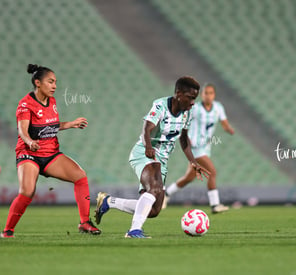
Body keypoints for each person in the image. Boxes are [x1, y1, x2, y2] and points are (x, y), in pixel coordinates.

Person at [95, 76, 210, 238]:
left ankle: (109, 202)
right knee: (154, 189)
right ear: (178, 93)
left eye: (194, 99)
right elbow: (146, 128)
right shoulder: (161, 105)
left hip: (161, 160)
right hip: (145, 153)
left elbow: (184, 140)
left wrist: (193, 162)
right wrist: (148, 147)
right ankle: (134, 230)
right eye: (190, 98)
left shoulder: (187, 114)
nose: (193, 103)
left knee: (154, 210)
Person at [0, 64, 101, 238]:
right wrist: (30, 142)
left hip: (50, 154)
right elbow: (22, 131)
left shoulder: (51, 101)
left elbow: (51, 126)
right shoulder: (26, 104)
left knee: (80, 176)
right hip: (29, 154)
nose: (54, 86)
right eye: (51, 82)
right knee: (27, 192)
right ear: (38, 83)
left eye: (55, 82)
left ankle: (84, 222)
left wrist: (70, 124)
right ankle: (8, 231)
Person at [163, 83, 234, 213]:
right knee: (212, 172)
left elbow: (224, 123)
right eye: (206, 93)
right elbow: (184, 118)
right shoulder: (195, 108)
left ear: (214, 95)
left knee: (189, 178)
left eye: (211, 93)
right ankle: (215, 205)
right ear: (202, 95)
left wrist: (228, 129)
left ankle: (166, 194)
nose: (208, 96)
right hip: (195, 146)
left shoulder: (218, 107)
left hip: (206, 147)